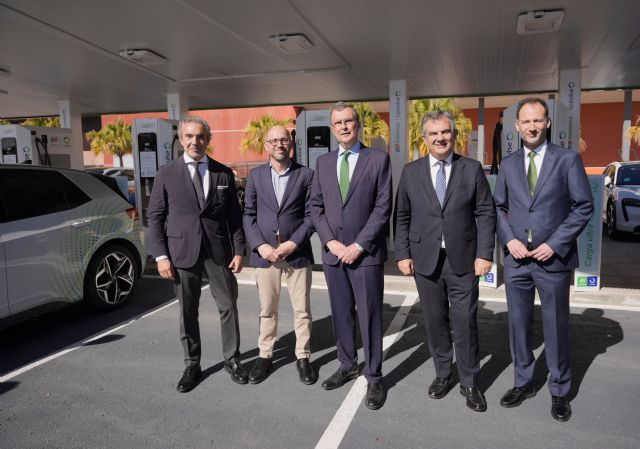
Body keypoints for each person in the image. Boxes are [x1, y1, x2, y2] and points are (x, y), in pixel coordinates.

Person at [494, 97, 593, 422]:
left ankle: (560, 391)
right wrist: (509, 240)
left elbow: (583, 206)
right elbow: (497, 208)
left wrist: (554, 243)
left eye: (538, 121)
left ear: (548, 123)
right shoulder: (507, 164)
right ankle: (523, 382)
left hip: (553, 260)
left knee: (555, 327)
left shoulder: (567, 159)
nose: (532, 127)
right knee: (518, 326)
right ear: (517, 126)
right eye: (526, 121)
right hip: (518, 261)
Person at [394, 110, 496, 412]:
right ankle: (443, 373)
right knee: (435, 321)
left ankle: (469, 381)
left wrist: (484, 254)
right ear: (425, 138)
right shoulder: (411, 172)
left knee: (464, 322)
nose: (440, 138)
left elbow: (486, 213)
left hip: (464, 261)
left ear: (454, 135)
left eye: (445, 132)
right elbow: (402, 216)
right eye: (434, 133)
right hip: (425, 261)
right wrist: (402, 253)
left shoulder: (472, 168)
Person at [147, 116, 248, 393]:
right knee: (188, 311)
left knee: (228, 306)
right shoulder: (166, 173)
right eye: (190, 136)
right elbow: (154, 217)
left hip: (218, 253)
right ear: (181, 139)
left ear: (208, 139)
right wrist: (160, 256)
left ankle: (233, 359)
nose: (195, 141)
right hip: (181, 252)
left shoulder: (223, 173)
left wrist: (239, 250)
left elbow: (234, 218)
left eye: (201, 137)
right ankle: (192, 363)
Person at [309, 102, 392, 410]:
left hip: (365, 254)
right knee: (341, 313)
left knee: (370, 316)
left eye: (348, 121)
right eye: (338, 123)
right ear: (332, 129)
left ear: (358, 125)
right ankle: (347, 365)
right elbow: (315, 207)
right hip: (333, 255)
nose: (343, 126)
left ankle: (373, 375)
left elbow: (383, 209)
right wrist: (330, 242)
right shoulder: (324, 162)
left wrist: (357, 245)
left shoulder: (378, 160)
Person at [242, 125, 316, 385]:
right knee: (267, 310)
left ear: (290, 143)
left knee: (302, 310)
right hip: (265, 255)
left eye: (283, 140)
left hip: (296, 254)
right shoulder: (255, 176)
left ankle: (303, 356)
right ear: (266, 145)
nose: (279, 144)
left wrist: (293, 243)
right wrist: (260, 245)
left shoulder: (306, 175)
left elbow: (312, 216)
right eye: (273, 140)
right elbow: (248, 215)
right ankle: (265, 356)